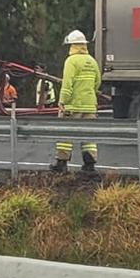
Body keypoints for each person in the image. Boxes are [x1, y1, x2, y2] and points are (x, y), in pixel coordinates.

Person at [52, 30, 102, 174]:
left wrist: (63, 101)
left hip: (73, 105)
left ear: (73, 45)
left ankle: (61, 163)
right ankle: (89, 165)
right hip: (90, 106)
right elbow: (97, 82)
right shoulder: (92, 61)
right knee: (89, 136)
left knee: (65, 135)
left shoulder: (71, 61)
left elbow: (67, 84)